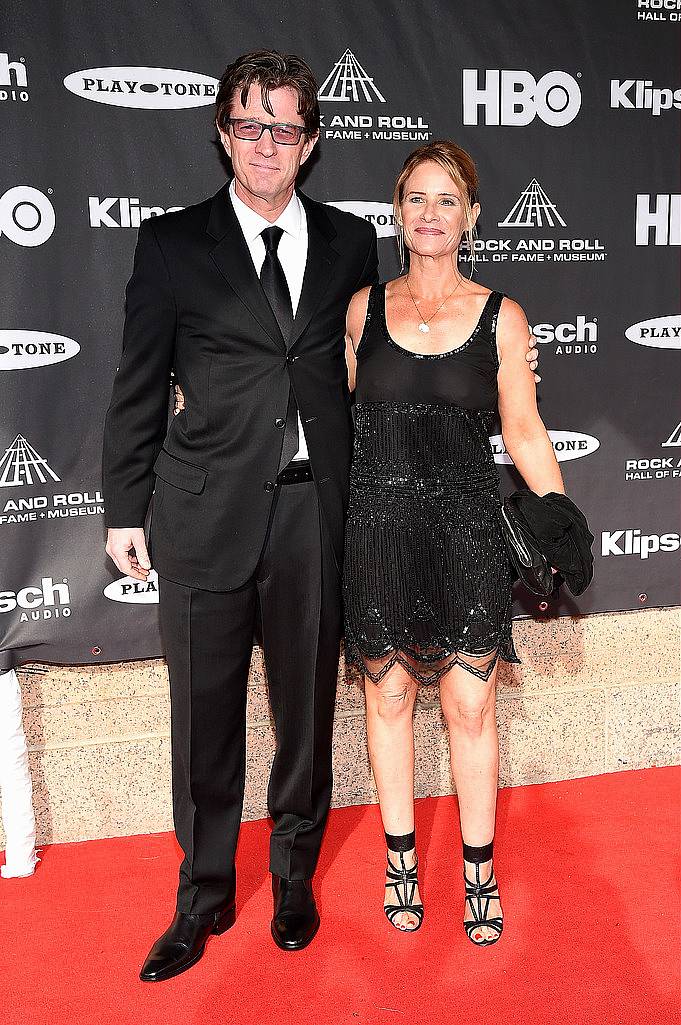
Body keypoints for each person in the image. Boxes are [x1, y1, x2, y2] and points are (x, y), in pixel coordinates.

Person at [102, 50, 381, 980]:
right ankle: (203, 894)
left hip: (312, 515)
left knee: (303, 716)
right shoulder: (172, 242)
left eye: (287, 127)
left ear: (310, 145)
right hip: (198, 514)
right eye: (250, 124)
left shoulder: (349, 243)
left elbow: (371, 377)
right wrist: (121, 504)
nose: (267, 143)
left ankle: (293, 876)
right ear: (223, 131)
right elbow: (138, 381)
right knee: (203, 722)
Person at [343, 141, 564, 944]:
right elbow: (326, 414)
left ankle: (478, 867)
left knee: (470, 705)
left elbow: (526, 431)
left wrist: (559, 522)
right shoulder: (362, 309)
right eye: (415, 198)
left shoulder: (503, 315)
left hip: (467, 529)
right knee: (389, 695)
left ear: (471, 217)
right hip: (377, 527)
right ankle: (400, 858)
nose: (429, 214)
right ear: (395, 213)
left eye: (446, 200)